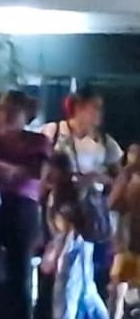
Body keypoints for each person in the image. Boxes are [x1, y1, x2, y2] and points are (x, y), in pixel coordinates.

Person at [0, 90, 50, 319]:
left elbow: (37, 172)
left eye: (13, 110)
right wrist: (10, 170)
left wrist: (5, 170)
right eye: (3, 109)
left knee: (21, 273)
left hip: (23, 209)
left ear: (25, 114)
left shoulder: (37, 141)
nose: (7, 115)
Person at [44, 88, 122, 297]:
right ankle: (53, 312)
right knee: (63, 265)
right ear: (78, 108)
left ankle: (75, 313)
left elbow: (119, 179)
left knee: (81, 270)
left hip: (88, 210)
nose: (99, 113)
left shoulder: (105, 142)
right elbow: (40, 168)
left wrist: (98, 182)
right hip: (58, 206)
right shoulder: (54, 132)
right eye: (94, 107)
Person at [42, 153, 113, 319]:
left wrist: (57, 254)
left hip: (74, 245)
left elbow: (68, 228)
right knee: (84, 291)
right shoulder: (63, 189)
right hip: (76, 244)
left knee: (66, 288)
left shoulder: (67, 191)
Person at [109, 145, 140, 319]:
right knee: (118, 286)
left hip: (130, 240)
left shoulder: (128, 177)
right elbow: (112, 203)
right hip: (127, 240)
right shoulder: (126, 177)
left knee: (120, 286)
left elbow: (112, 203)